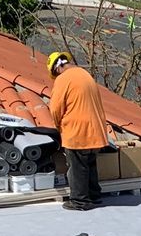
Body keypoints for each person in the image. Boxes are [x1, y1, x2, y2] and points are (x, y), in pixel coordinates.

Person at [46, 50, 110, 212]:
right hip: (95, 130)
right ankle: (94, 196)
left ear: (57, 69)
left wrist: (58, 127)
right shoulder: (84, 74)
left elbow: (55, 109)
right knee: (89, 163)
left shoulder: (63, 79)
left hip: (77, 130)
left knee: (77, 166)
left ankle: (79, 201)